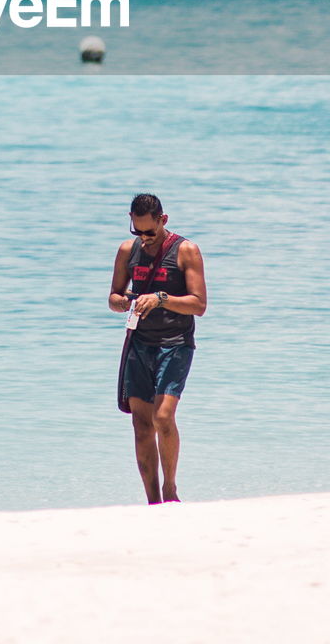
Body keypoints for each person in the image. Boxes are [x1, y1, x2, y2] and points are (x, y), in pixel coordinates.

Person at [109, 193, 207, 504]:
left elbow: (199, 305)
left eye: (149, 232)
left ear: (163, 220)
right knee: (140, 424)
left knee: (163, 417)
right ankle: (153, 501)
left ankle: (171, 489)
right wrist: (123, 301)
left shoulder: (186, 251)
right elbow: (112, 297)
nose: (144, 239)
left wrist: (162, 298)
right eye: (137, 232)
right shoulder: (128, 251)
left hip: (175, 344)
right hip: (139, 344)